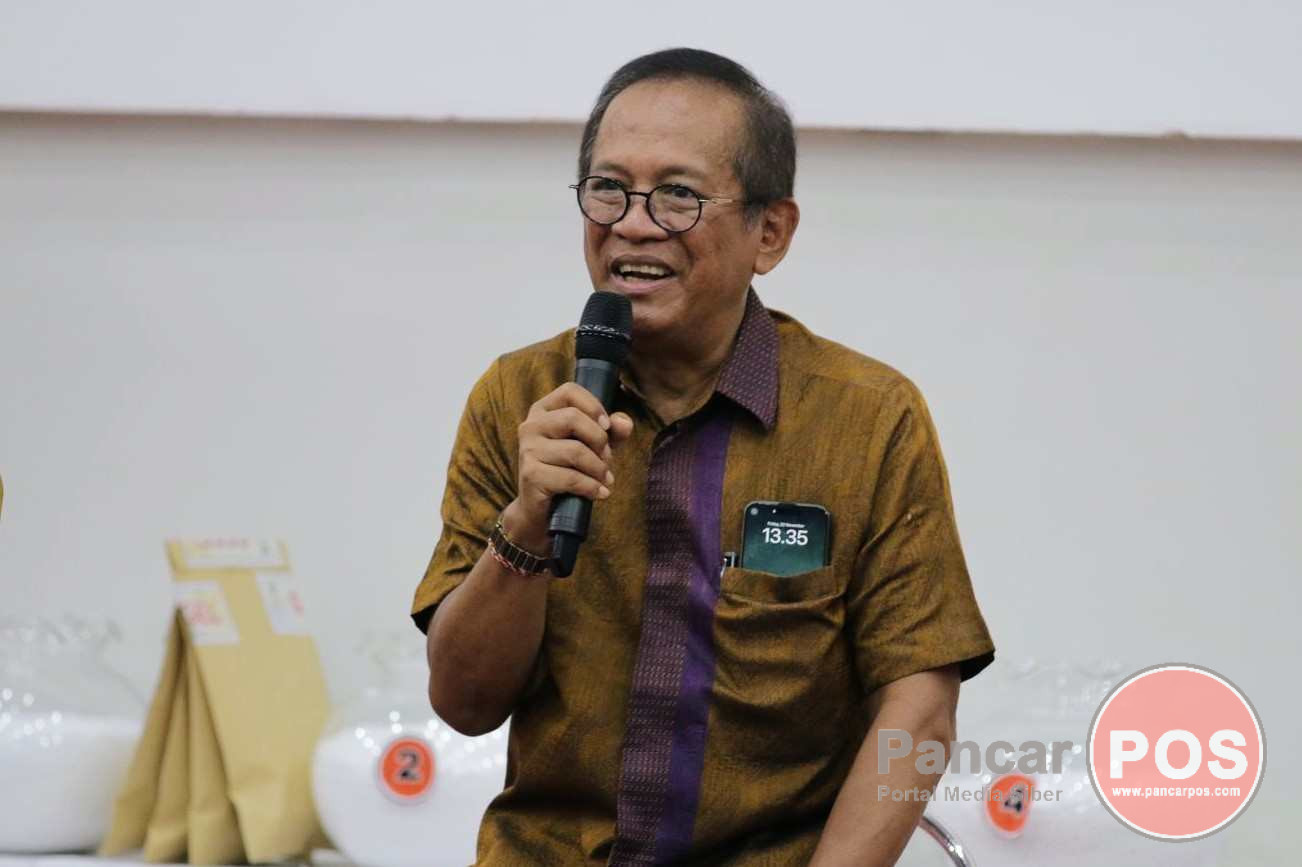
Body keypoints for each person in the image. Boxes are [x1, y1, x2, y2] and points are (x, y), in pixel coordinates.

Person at [411, 48, 996, 866]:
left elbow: (920, 710)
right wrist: (527, 523)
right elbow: (464, 703)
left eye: (678, 194)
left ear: (770, 232)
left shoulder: (868, 419)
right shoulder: (519, 399)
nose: (632, 223)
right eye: (608, 188)